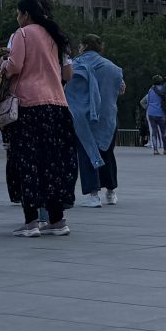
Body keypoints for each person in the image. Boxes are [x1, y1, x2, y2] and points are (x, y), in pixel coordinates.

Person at [1, 0, 77, 238]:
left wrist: (3, 64)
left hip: (28, 105)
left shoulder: (22, 34)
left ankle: (31, 220)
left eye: (17, 13)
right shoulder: (56, 36)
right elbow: (67, 73)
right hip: (57, 105)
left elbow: (14, 66)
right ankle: (57, 219)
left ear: (25, 14)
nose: (17, 18)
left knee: (28, 161)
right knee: (53, 162)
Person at [64, 34, 122, 207]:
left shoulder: (77, 64)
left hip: (84, 117)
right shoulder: (112, 67)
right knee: (108, 153)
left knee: (87, 153)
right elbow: (120, 88)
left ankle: (93, 194)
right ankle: (111, 192)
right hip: (108, 116)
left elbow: (69, 89)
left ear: (84, 46)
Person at [142, 74, 166, 155]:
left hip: (151, 113)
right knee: (163, 131)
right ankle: (165, 149)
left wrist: (148, 108)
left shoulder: (150, 90)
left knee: (154, 131)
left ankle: (155, 150)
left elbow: (146, 101)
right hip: (160, 113)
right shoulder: (163, 89)